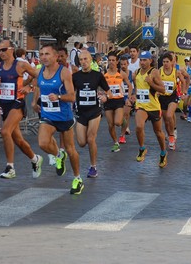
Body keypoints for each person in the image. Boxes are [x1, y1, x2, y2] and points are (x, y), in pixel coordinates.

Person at [0, 38, 43, 179]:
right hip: (4, 105)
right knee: (18, 140)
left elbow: (39, 76)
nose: (1, 53)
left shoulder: (21, 65)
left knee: (5, 131)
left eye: (4, 49)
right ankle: (35, 159)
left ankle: (10, 167)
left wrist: (29, 86)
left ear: (11, 49)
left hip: (17, 103)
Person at [32, 43, 83, 195]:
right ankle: (59, 156)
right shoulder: (40, 71)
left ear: (55, 56)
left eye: (47, 54)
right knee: (42, 142)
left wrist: (59, 96)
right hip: (48, 115)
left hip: (64, 116)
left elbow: (72, 96)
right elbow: (39, 87)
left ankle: (77, 179)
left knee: (71, 150)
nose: (43, 57)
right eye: (41, 54)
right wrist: (35, 101)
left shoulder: (64, 72)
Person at [72, 50, 110, 178]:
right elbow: (71, 93)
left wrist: (105, 96)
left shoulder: (97, 75)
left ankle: (93, 167)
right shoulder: (75, 76)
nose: (83, 62)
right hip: (81, 112)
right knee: (82, 142)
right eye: (81, 60)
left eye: (85, 59)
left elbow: (108, 91)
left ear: (90, 60)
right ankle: (91, 148)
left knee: (90, 138)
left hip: (94, 111)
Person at [131, 50, 168, 167]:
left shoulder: (154, 72)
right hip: (141, 105)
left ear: (150, 61)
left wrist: (151, 83)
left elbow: (162, 89)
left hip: (154, 107)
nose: (142, 62)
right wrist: (133, 96)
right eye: (141, 60)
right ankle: (142, 148)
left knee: (158, 132)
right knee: (138, 126)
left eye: (144, 60)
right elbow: (137, 88)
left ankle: (163, 153)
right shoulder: (136, 73)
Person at [103, 52, 131, 152]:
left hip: (119, 100)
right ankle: (116, 142)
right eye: (109, 60)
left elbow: (130, 85)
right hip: (108, 101)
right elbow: (99, 87)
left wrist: (128, 98)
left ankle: (124, 122)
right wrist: (101, 94)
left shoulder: (121, 73)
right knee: (110, 125)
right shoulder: (104, 74)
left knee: (118, 123)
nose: (111, 62)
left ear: (117, 61)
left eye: (113, 60)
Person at [158, 52, 187, 151]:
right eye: (164, 62)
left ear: (171, 62)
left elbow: (183, 81)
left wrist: (183, 93)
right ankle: (170, 135)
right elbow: (155, 82)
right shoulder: (159, 71)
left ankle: (172, 136)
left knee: (170, 115)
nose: (165, 64)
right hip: (162, 98)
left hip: (172, 97)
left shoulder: (176, 72)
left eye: (167, 62)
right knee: (166, 120)